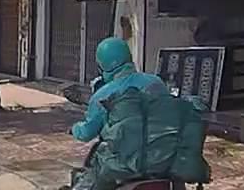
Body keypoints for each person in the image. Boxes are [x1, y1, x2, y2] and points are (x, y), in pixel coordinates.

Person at [69, 36, 171, 190]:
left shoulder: (102, 95)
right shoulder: (156, 83)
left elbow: (87, 133)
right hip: (162, 159)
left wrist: (75, 128)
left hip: (123, 166)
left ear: (102, 65)